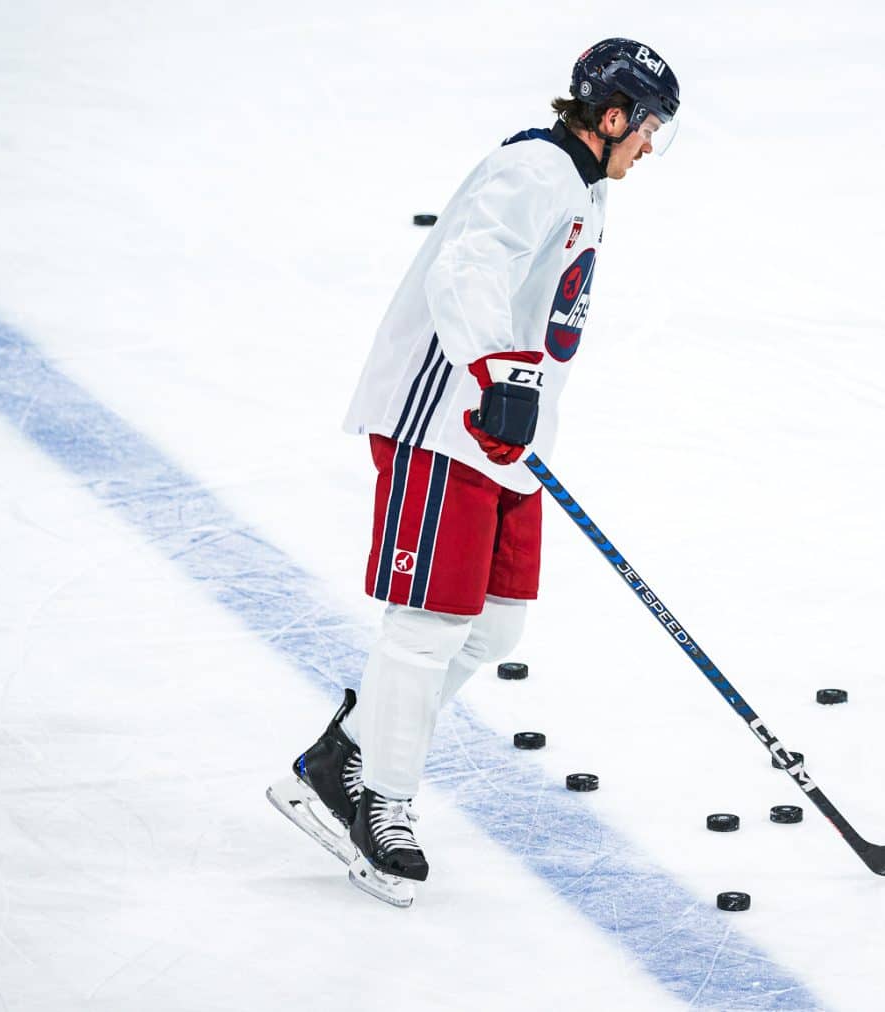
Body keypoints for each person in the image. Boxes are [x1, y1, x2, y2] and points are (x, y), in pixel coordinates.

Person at [267, 38, 681, 908]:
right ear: (613, 117)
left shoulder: (587, 185)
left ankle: (345, 756)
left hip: (504, 434)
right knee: (428, 627)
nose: (650, 146)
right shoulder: (534, 171)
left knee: (493, 629)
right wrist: (496, 373)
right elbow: (468, 267)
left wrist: (520, 402)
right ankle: (380, 801)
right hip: (447, 421)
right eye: (648, 128)